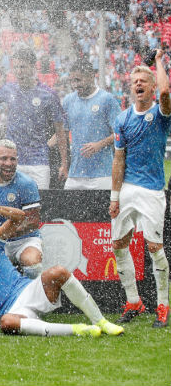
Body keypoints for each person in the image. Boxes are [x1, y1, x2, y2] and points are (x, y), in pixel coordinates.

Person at [0, 213, 125, 337]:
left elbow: (19, 217)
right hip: (11, 313)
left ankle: (101, 321)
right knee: (6, 323)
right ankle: (79, 330)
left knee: (58, 271)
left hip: (28, 289)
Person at [110, 55, 170, 328]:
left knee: (154, 247)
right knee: (119, 244)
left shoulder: (160, 113)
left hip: (152, 191)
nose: (138, 84)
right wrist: (114, 196)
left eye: (143, 81)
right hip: (127, 191)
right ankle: (134, 301)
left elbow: (167, 91)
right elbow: (119, 159)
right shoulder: (122, 119)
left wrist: (158, 61)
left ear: (152, 86)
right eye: (134, 81)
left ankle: (163, 304)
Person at [0, 47, 68, 189]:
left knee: (38, 205)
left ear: (33, 67)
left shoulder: (47, 94)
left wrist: (64, 163)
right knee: (9, 206)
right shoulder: (8, 89)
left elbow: (60, 131)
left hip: (39, 162)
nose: (19, 71)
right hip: (11, 161)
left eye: (23, 67)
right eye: (16, 67)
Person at [0, 139, 43, 279]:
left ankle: (31, 296)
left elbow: (33, 222)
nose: (9, 163)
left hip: (25, 240)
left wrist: (2, 233)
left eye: (13, 159)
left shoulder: (27, 183)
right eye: (3, 158)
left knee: (33, 265)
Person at [62, 58, 122, 190]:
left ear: (90, 76)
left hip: (102, 174)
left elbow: (120, 132)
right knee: (68, 210)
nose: (75, 85)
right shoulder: (68, 101)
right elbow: (63, 134)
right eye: (72, 81)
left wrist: (99, 144)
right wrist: (64, 164)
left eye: (78, 80)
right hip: (75, 173)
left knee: (101, 210)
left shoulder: (107, 99)